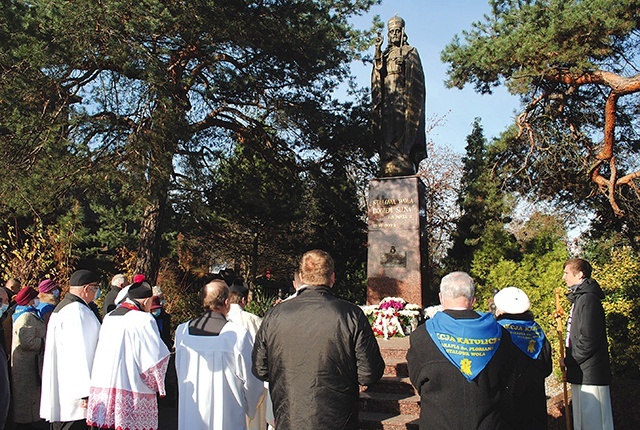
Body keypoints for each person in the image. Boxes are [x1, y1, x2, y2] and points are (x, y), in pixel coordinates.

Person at [252, 250, 385, 429]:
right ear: (332, 277)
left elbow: (260, 368)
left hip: (291, 417)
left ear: (301, 277)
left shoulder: (275, 315)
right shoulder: (350, 315)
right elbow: (369, 373)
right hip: (337, 419)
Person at [406, 271, 514, 429]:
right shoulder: (500, 334)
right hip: (487, 423)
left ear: (441, 297)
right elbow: (506, 377)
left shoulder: (422, 336)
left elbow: (417, 380)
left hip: (438, 423)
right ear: (473, 300)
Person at [174, 279, 265, 430]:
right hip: (227, 416)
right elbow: (252, 380)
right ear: (227, 302)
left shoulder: (182, 332)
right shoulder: (237, 335)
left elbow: (180, 371)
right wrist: (251, 406)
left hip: (191, 413)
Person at [86, 281, 170, 430]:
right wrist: (156, 382)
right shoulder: (144, 319)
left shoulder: (110, 317)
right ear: (146, 300)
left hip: (105, 385)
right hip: (131, 387)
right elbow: (154, 358)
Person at [40, 269, 102, 430]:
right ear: (87, 288)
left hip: (66, 386)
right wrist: (85, 392)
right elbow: (80, 352)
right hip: (75, 394)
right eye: (96, 288)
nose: (97, 293)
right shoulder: (77, 312)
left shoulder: (64, 308)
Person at [562, 258, 614, 430]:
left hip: (590, 373)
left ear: (580, 274)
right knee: (582, 422)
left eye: (567, 273)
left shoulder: (589, 300)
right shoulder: (580, 298)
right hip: (581, 371)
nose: (564, 277)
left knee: (594, 422)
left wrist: (570, 360)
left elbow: (589, 339)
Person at [371, 15, 426, 177]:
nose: (394, 34)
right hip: (388, 94)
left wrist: (405, 65)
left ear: (402, 32)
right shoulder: (385, 54)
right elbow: (377, 74)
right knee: (387, 124)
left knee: (402, 122)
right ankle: (389, 155)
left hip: (403, 94)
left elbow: (417, 80)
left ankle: (403, 154)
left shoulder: (410, 52)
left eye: (397, 31)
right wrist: (377, 51)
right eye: (391, 32)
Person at [494, 287, 552, 430]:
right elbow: (547, 368)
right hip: (535, 405)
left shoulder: (497, 333)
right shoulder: (537, 332)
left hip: (506, 406)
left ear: (500, 310)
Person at [11, 287, 47, 429]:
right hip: (27, 366)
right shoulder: (26, 316)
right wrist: (45, 342)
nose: (38, 300)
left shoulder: (28, 314)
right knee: (27, 400)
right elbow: (27, 342)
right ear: (30, 300)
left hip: (30, 363)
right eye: (35, 298)